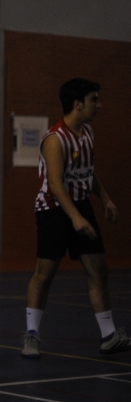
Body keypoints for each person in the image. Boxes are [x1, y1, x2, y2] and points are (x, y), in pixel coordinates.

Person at [21, 78, 131, 358]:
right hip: (53, 209)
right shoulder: (55, 139)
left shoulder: (87, 133)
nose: (99, 105)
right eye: (95, 99)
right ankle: (31, 335)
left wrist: (105, 199)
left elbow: (88, 172)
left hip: (80, 205)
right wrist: (75, 218)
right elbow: (55, 184)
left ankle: (109, 335)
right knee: (44, 274)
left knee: (99, 269)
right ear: (78, 104)